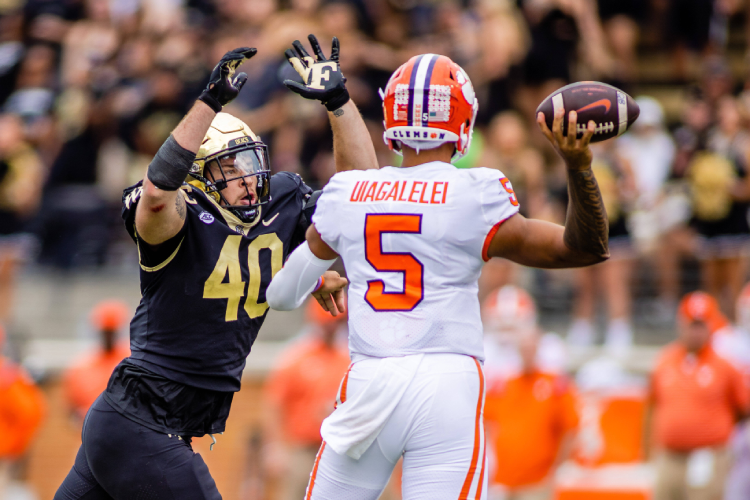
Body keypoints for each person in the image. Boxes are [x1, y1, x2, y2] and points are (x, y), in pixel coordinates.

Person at [267, 36, 610, 499]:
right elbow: (582, 248)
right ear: (463, 122)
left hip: (370, 381)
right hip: (447, 382)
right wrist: (577, 166)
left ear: (392, 119)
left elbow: (282, 295)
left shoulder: (349, 194)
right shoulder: (476, 193)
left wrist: (317, 276)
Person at [55, 41, 377, 500]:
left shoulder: (278, 202)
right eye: (231, 166)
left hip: (149, 425)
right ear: (200, 177)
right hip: (141, 423)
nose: (248, 178)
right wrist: (207, 103)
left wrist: (339, 102)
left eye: (251, 162)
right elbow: (158, 195)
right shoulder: (177, 214)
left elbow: (362, 192)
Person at [649, 292, 750, 500]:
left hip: (708, 454)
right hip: (670, 454)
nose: (696, 331)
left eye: (701, 325)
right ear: (681, 323)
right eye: (692, 324)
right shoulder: (664, 361)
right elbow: (653, 406)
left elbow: (743, 407)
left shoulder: (725, 365)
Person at [263, 298, 350, 500]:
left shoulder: (346, 358)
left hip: (337, 449)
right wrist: (275, 447)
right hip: (302, 447)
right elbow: (274, 404)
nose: (330, 328)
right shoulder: (296, 357)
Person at [484, 328, 578, 500]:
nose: (527, 352)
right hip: (503, 482)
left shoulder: (554, 384)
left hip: (538, 482)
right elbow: (485, 422)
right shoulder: (504, 384)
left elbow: (570, 427)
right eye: (523, 347)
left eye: (531, 347)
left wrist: (557, 467)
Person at [62, 300, 131, 421]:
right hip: (92, 434)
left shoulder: (132, 362)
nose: (108, 337)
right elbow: (71, 410)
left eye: (111, 332)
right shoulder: (81, 367)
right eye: (105, 332)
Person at [0, 325, 46, 499]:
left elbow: (29, 412)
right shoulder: (8, 373)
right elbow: (32, 412)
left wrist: (12, 446)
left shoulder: (7, 374)